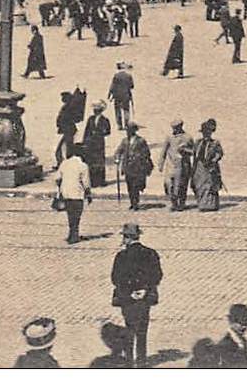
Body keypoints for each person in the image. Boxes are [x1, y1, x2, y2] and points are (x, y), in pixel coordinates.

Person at [110, 221, 163, 367]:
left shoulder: (121, 256)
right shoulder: (151, 253)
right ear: (138, 236)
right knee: (142, 330)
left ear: (126, 238)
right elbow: (157, 275)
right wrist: (144, 290)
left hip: (127, 298)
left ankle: (129, 360)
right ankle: (142, 360)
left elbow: (115, 278)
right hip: (145, 297)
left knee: (129, 328)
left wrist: (130, 293)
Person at [55, 148, 92, 244]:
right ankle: (74, 235)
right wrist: (88, 195)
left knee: (70, 215)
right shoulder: (83, 166)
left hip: (66, 193)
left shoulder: (65, 163)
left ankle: (71, 234)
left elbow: (57, 178)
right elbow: (86, 182)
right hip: (77, 194)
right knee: (76, 216)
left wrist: (61, 188)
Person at [116, 123, 153, 211]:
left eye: (129, 130)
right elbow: (119, 151)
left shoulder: (141, 141)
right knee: (129, 186)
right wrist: (117, 158)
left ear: (134, 131)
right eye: (127, 131)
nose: (127, 132)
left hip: (138, 167)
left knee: (136, 186)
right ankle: (132, 202)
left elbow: (147, 153)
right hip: (128, 167)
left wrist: (140, 158)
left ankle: (136, 202)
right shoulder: (124, 141)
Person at [158, 120, 192, 211]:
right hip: (171, 166)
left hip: (183, 166)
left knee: (182, 185)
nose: (174, 130)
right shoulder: (169, 137)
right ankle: (173, 203)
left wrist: (186, 150)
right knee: (169, 185)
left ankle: (181, 204)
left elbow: (194, 151)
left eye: (176, 128)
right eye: (173, 128)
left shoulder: (188, 137)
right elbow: (164, 151)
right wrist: (160, 163)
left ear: (181, 127)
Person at [191, 119, 224, 211]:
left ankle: (210, 205)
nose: (205, 134)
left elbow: (219, 153)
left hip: (210, 166)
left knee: (210, 185)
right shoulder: (198, 142)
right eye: (204, 132)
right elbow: (194, 152)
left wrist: (214, 160)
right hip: (199, 166)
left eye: (207, 132)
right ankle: (202, 204)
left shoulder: (215, 143)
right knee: (199, 185)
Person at [83, 102, 113, 190]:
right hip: (91, 143)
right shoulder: (90, 119)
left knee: (100, 161)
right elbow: (87, 130)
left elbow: (108, 131)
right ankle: (93, 181)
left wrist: (101, 132)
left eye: (97, 110)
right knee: (91, 162)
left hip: (99, 143)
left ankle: (101, 181)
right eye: (94, 110)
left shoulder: (105, 120)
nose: (95, 111)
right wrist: (84, 142)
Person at [109, 63, 135, 129]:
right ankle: (126, 124)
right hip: (126, 95)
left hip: (117, 95)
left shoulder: (116, 76)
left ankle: (119, 125)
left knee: (118, 110)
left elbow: (113, 86)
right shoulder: (129, 76)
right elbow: (132, 86)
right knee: (126, 110)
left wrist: (110, 94)